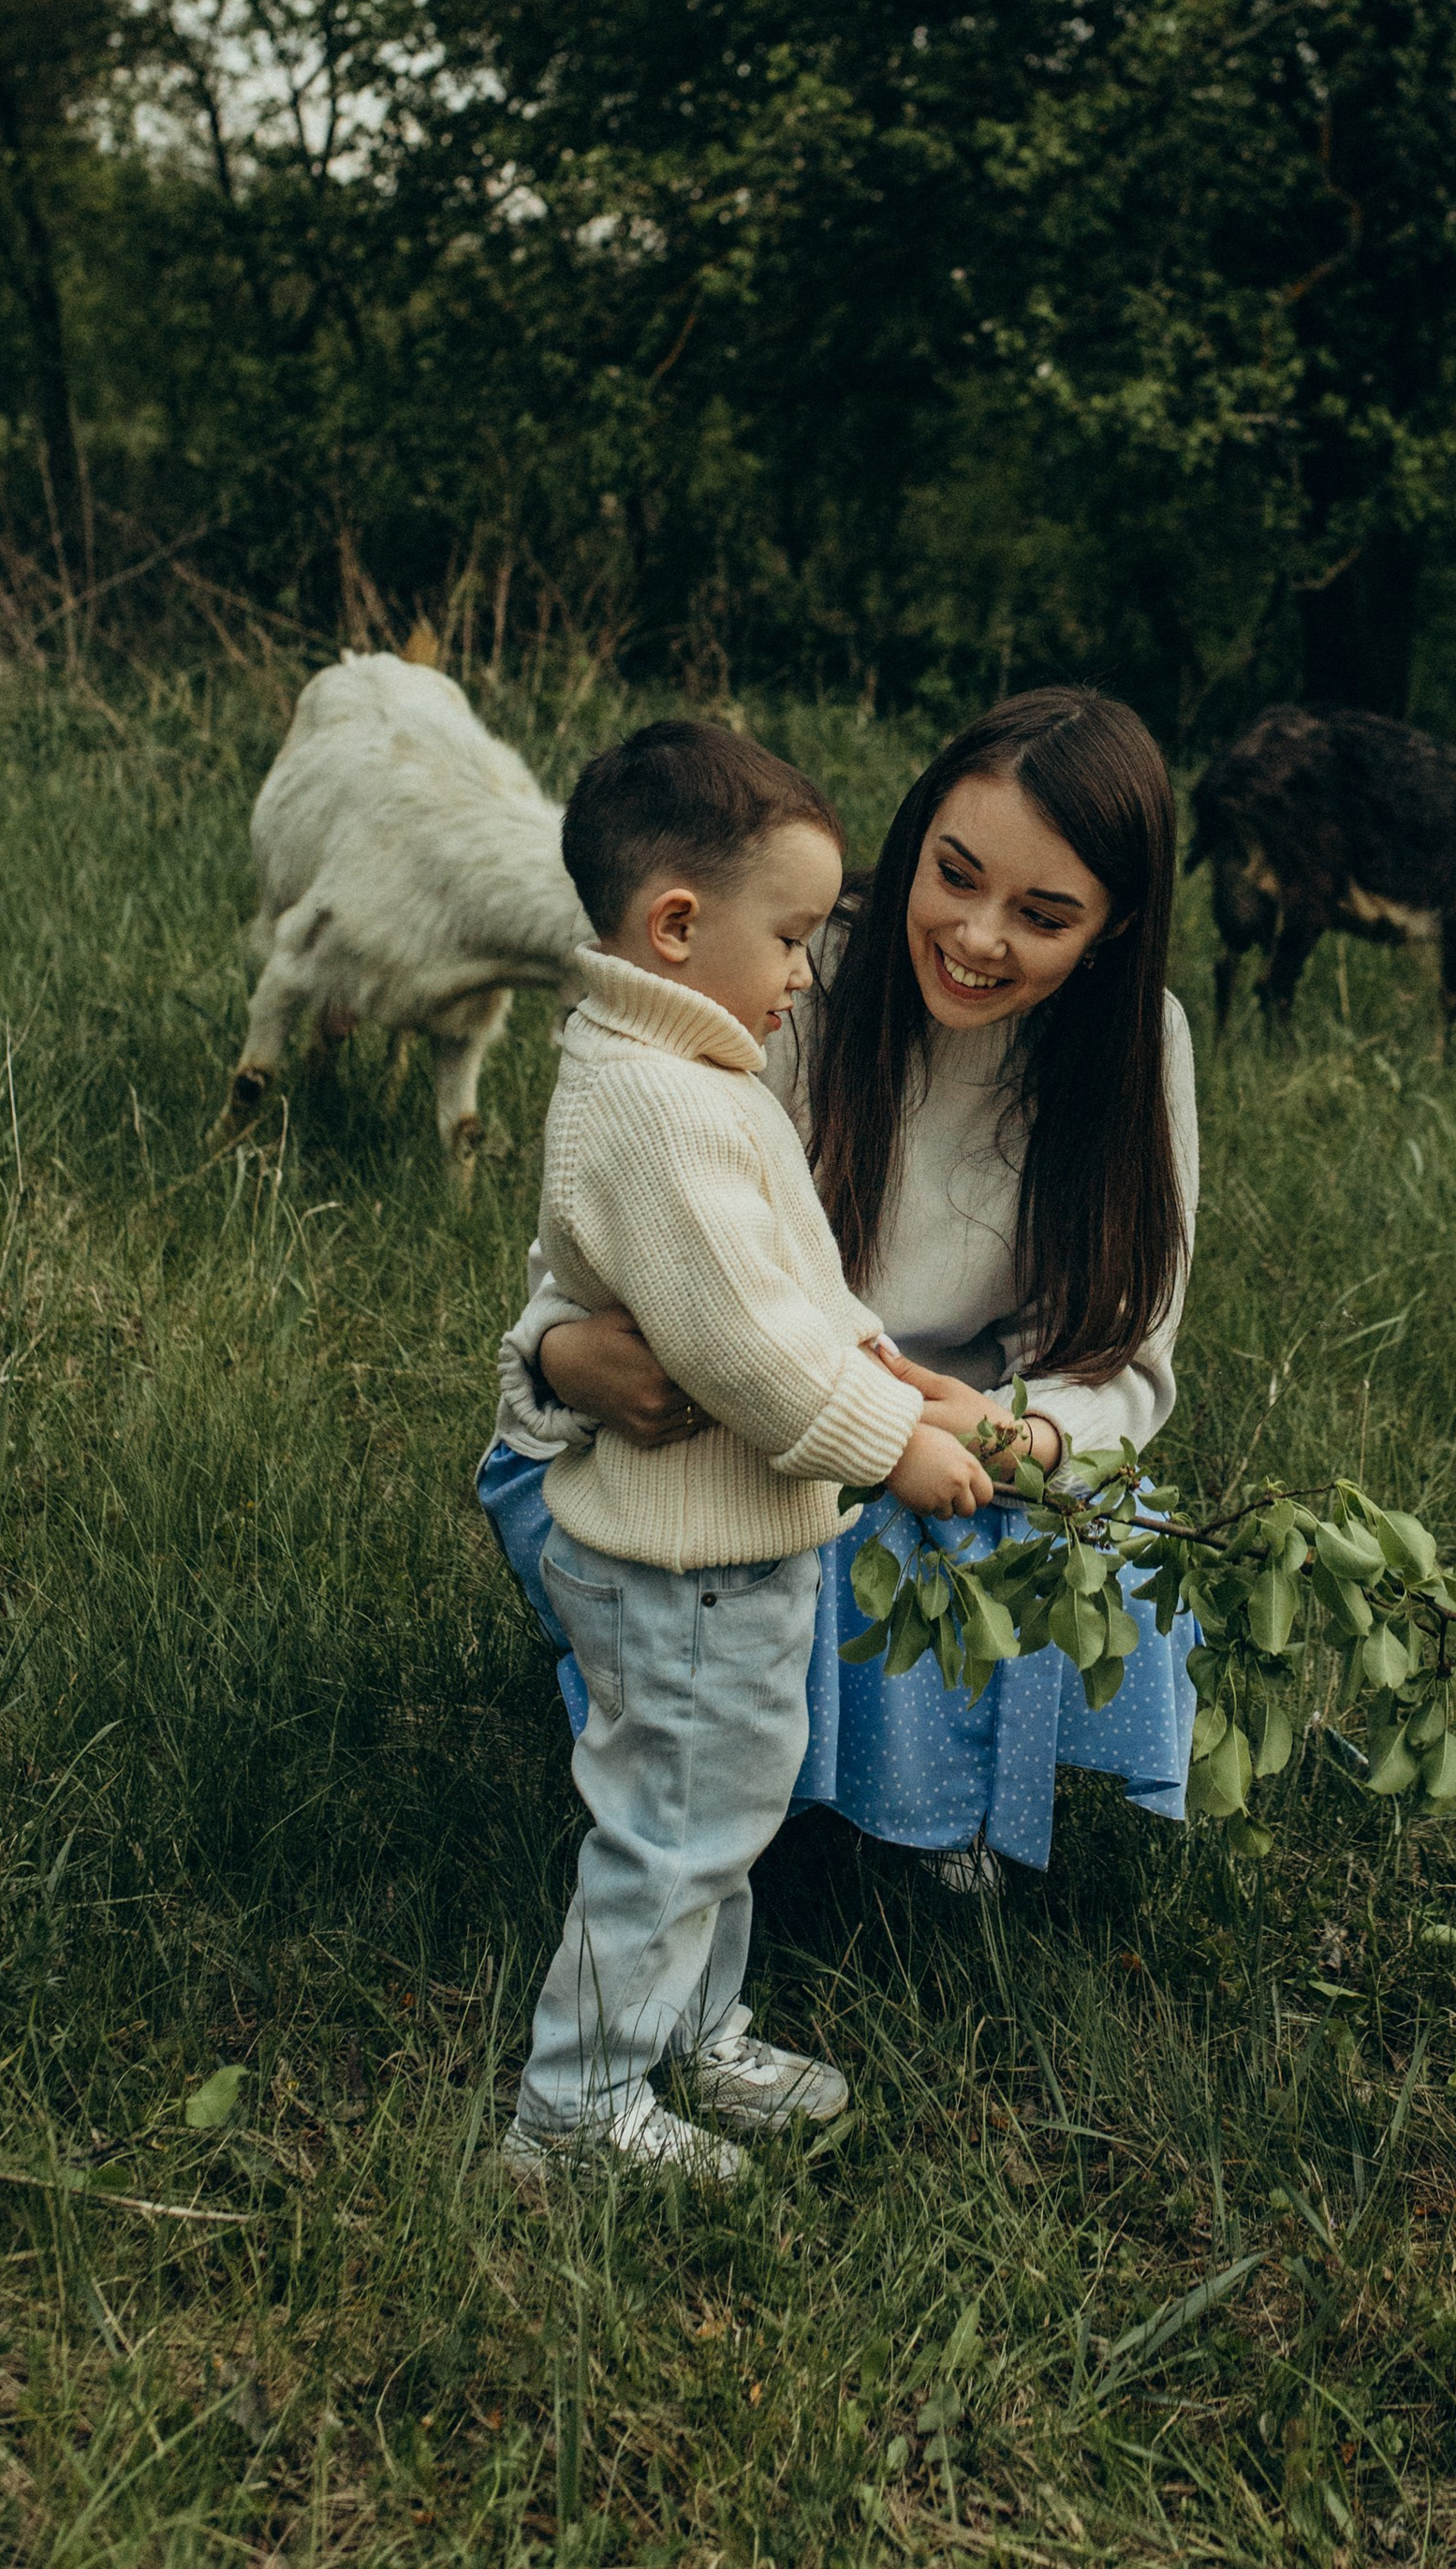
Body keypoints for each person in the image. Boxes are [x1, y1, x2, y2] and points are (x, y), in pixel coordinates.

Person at [487, 687, 1199, 1886]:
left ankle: (909, 1819)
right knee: (784, 1533)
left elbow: (1120, 1364)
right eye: (953, 874)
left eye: (1041, 913)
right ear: (913, 837)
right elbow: (598, 1246)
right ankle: (756, 1811)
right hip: (731, 1420)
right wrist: (566, 1358)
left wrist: (1014, 1431)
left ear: (1111, 930)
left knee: (1091, 1552)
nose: (976, 936)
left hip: (950, 1438)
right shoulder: (780, 969)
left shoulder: (1136, 1049)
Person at [495, 719, 992, 2180]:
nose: (803, 972)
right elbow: (733, 1345)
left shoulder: (690, 1070)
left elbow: (789, 1282)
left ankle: (689, 2030)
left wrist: (870, 1349)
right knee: (674, 1825)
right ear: (675, 924)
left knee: (730, 1807)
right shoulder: (654, 1106)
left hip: (728, 1549)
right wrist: (888, 1436)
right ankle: (575, 2108)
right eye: (790, 937)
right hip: (682, 1560)